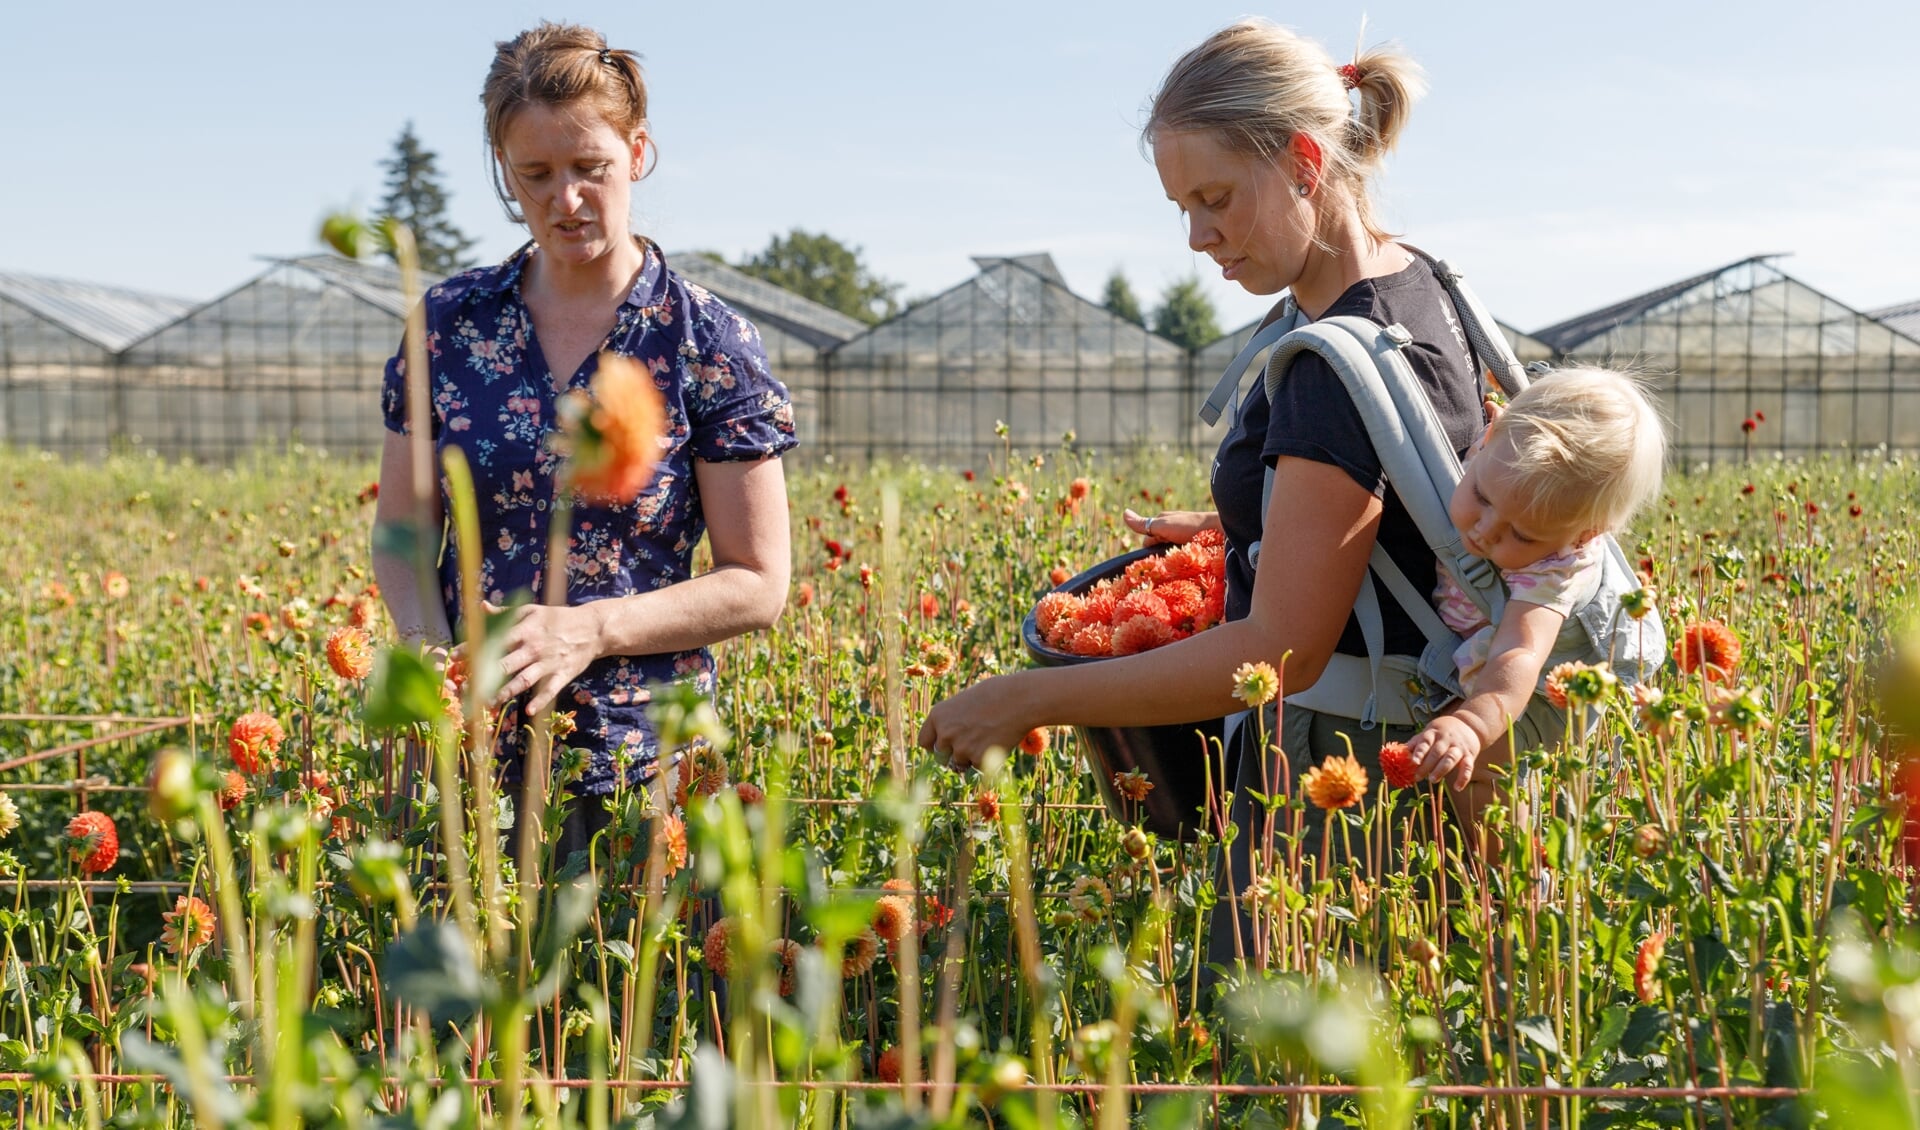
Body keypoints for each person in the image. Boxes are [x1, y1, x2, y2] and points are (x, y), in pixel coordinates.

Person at [917, 19, 1475, 961]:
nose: (1196, 236)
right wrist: (1250, 523)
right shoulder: (1419, 284)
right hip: (1412, 764)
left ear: (1304, 161)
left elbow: (1281, 651)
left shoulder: (1334, 367)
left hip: (1335, 797)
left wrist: (1030, 700)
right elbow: (1405, 506)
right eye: (1182, 204)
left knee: (1280, 1068)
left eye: (1216, 198)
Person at [372, 21, 795, 862]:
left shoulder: (704, 339)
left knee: (633, 989)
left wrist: (588, 630)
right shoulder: (451, 327)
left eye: (589, 169)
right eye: (536, 175)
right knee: (470, 990)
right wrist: (433, 658)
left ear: (637, 153)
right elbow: (404, 533)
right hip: (468, 760)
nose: (564, 200)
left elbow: (757, 583)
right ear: (505, 172)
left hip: (645, 761)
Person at [1406, 369, 1665, 807]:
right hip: (1480, 660)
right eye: (1482, 499)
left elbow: (1519, 653)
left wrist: (1472, 725)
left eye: (1521, 536)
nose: (1485, 530)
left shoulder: (1555, 567)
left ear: (1584, 535)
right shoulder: (1500, 456)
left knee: (1477, 771)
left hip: (1543, 694)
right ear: (1492, 427)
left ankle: (1505, 873)